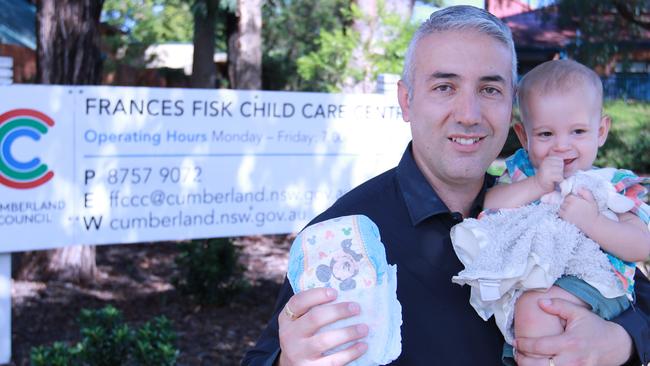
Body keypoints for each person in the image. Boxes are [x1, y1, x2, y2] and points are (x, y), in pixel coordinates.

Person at [242, 5, 650, 366]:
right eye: (444, 87)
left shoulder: (560, 207)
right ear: (406, 101)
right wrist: (290, 361)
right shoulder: (343, 235)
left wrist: (623, 342)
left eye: (489, 89)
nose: (469, 114)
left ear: (511, 109)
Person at [451, 59, 650, 365]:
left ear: (601, 131)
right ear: (524, 134)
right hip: (538, 279)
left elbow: (641, 244)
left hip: (596, 282)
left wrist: (592, 221)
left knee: (536, 309)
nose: (561, 145)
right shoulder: (523, 174)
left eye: (578, 131)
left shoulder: (610, 184)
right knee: (531, 328)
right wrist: (538, 184)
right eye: (545, 135)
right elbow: (489, 205)